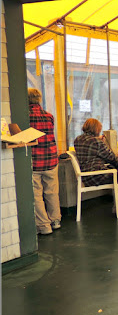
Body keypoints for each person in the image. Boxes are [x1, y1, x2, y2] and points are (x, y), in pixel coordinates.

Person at [74, 118, 118, 217]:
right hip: (97, 175)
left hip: (85, 176)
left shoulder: (77, 140)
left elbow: (89, 145)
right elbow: (110, 157)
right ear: (96, 129)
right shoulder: (96, 142)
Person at [28, 88, 62, 235]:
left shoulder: (25, 117)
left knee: (36, 194)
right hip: (51, 159)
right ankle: (56, 220)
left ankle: (44, 226)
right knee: (52, 191)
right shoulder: (49, 116)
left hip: (35, 161)